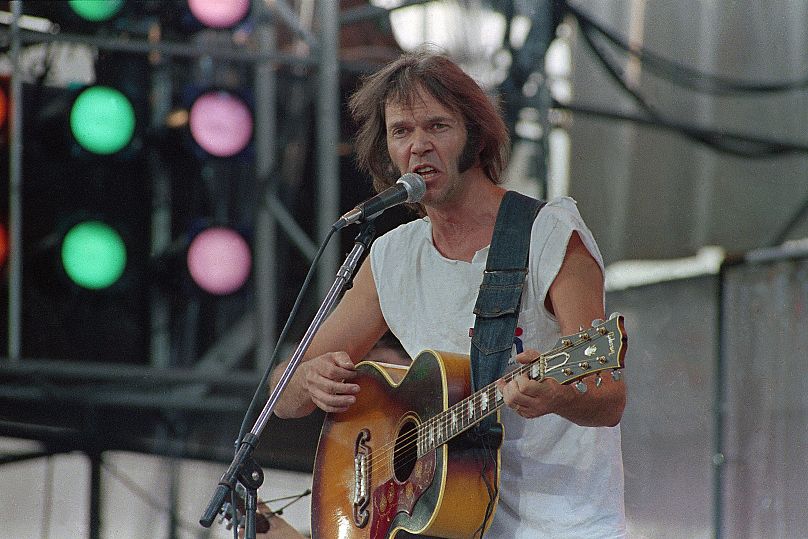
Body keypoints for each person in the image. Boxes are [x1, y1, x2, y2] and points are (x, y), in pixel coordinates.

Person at [271, 49, 626, 538]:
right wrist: (309, 380)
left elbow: (608, 396)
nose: (418, 146)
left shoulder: (548, 235)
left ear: (474, 138)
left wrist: (557, 397)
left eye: (437, 127)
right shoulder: (391, 256)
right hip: (447, 526)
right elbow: (281, 398)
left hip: (563, 524)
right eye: (401, 131)